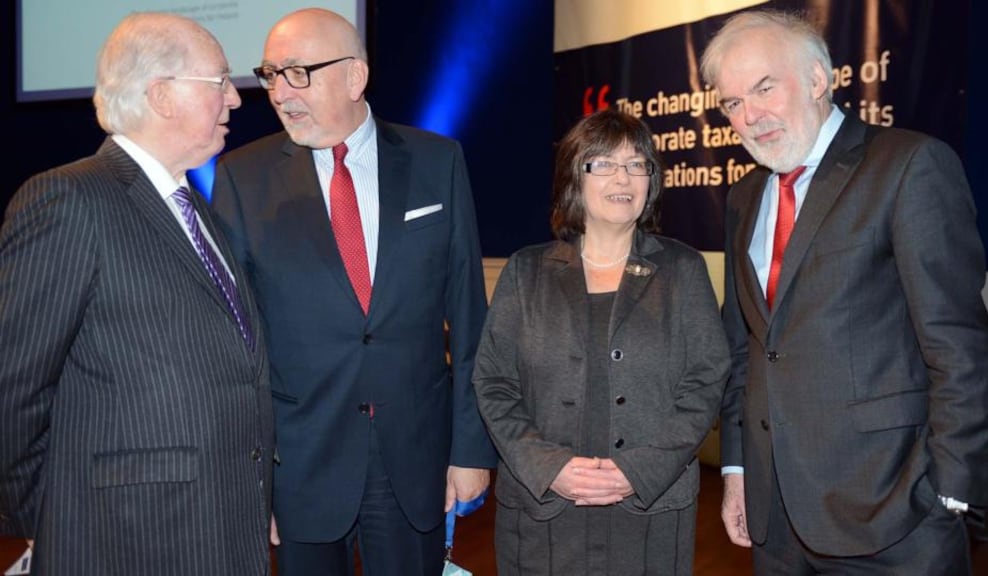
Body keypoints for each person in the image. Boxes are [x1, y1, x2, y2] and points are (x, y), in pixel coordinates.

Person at [700, 9, 988, 575]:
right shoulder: (744, 197)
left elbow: (960, 348)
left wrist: (950, 494)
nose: (749, 116)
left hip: (894, 515)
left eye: (764, 88)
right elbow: (745, 352)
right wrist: (738, 472)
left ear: (818, 79)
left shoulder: (908, 166)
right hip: (775, 520)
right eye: (733, 103)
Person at [210, 8, 496, 576]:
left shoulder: (436, 161)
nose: (280, 93)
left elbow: (470, 319)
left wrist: (471, 450)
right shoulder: (244, 176)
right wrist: (253, 480)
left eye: (298, 72)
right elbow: (237, 344)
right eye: (271, 75)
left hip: (414, 458)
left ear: (354, 76)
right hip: (301, 464)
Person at [0, 12, 274, 576]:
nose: (235, 99)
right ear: (161, 95)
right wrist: (51, 512)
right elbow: (14, 387)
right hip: (125, 538)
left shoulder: (197, 210)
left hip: (223, 525)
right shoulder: (70, 199)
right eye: (220, 80)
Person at [472, 109, 731, 575]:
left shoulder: (683, 270)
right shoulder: (525, 271)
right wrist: (547, 466)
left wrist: (641, 469)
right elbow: (493, 383)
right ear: (576, 176)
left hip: (649, 512)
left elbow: (706, 381)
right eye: (604, 163)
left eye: (637, 164)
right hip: (544, 513)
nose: (623, 177)